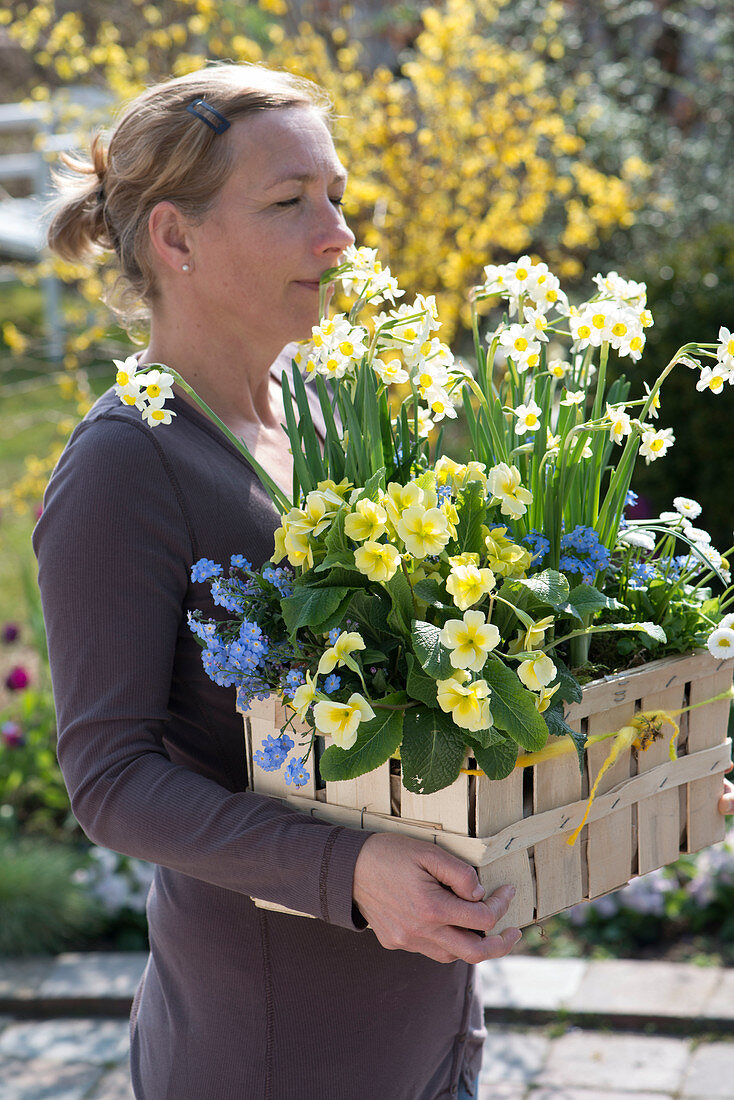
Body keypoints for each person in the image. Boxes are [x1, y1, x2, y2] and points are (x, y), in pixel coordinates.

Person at [33, 63, 525, 1100]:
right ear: (176, 240)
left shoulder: (318, 410)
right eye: (289, 201)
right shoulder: (127, 462)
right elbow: (111, 778)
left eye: (335, 195)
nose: (338, 234)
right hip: (271, 1052)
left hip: (429, 1033)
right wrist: (342, 870)